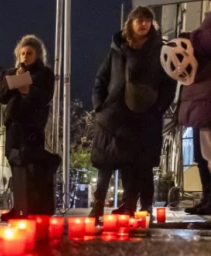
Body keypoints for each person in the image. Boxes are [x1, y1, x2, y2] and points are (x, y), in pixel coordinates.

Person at [90, 6, 176, 218]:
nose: (143, 23)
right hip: (113, 114)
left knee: (140, 163)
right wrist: (99, 105)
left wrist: (158, 108)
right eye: (139, 19)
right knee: (105, 160)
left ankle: (138, 205)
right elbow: (101, 79)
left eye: (147, 20)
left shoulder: (160, 50)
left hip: (144, 115)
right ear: (130, 23)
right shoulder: (117, 49)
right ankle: (98, 204)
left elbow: (169, 82)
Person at [0, 35, 56, 219]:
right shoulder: (11, 72)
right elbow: (0, 96)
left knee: (31, 166)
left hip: (32, 125)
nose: (25, 56)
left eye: (29, 53)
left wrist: (29, 90)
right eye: (22, 53)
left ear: (37, 55)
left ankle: (33, 207)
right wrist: (12, 82)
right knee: (15, 164)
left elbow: (46, 98)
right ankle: (19, 206)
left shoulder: (44, 74)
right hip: (13, 124)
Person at [178, 13, 211, 215]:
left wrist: (190, 37)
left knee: (205, 156)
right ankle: (207, 198)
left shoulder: (199, 36)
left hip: (204, 103)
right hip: (202, 104)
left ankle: (208, 199)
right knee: (201, 157)